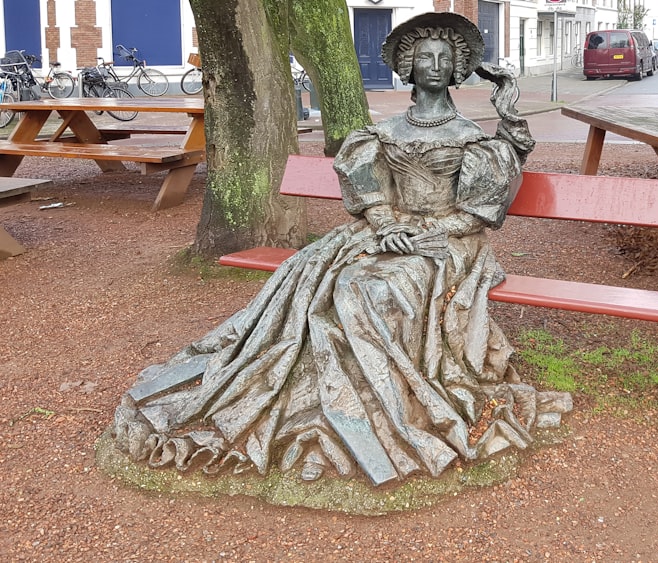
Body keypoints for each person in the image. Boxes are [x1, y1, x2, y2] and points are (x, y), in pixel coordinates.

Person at [111, 12, 571, 486]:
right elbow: (369, 193)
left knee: (362, 289)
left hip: (449, 243)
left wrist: (421, 231)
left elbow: (477, 211)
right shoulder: (383, 133)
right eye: (424, 57)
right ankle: (326, 406)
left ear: (456, 68)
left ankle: (374, 416)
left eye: (444, 58)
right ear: (408, 66)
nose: (433, 65)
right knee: (313, 279)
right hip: (383, 233)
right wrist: (385, 222)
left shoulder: (472, 138)